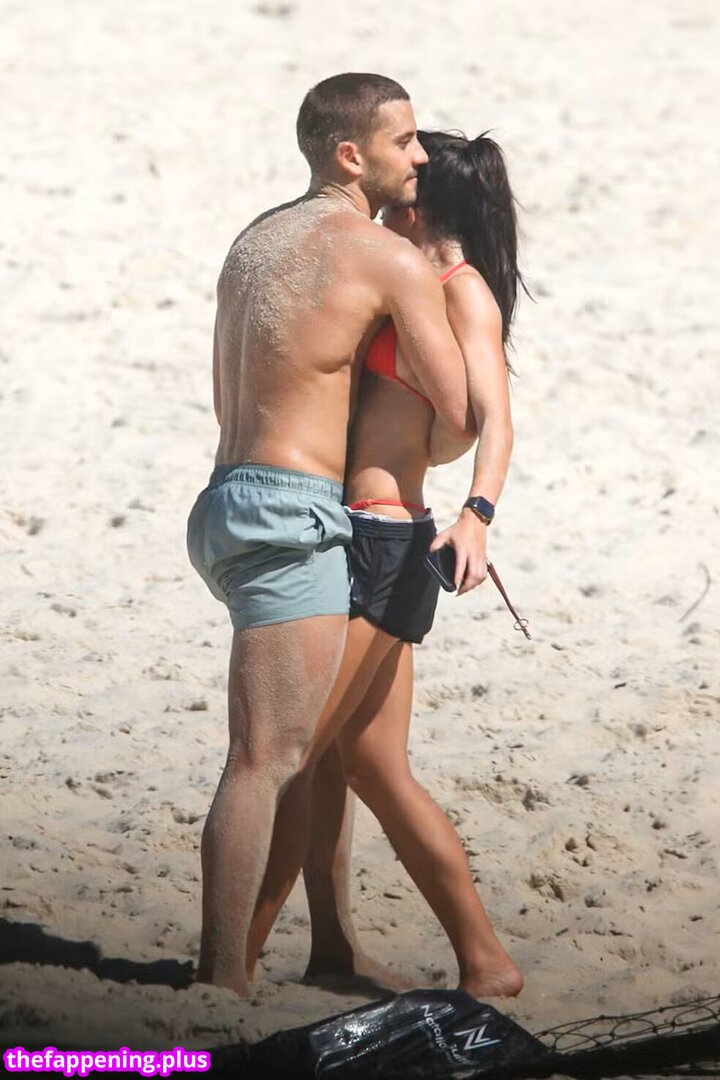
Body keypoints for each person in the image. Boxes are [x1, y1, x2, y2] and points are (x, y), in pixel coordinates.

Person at [185, 75, 483, 996]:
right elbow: (458, 418)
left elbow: (234, 383)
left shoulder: (255, 241)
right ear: (352, 156)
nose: (421, 156)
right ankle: (220, 985)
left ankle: (333, 947)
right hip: (297, 515)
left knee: (312, 751)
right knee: (266, 759)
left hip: (225, 502)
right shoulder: (385, 259)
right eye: (404, 141)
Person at [245, 130, 526, 999]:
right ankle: (467, 959)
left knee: (291, 758)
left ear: (420, 205)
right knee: (364, 766)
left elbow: (491, 418)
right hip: (361, 532)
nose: (390, 188)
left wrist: (478, 513)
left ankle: (232, 965)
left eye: (406, 179)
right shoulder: (398, 282)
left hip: (386, 540)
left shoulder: (460, 288)